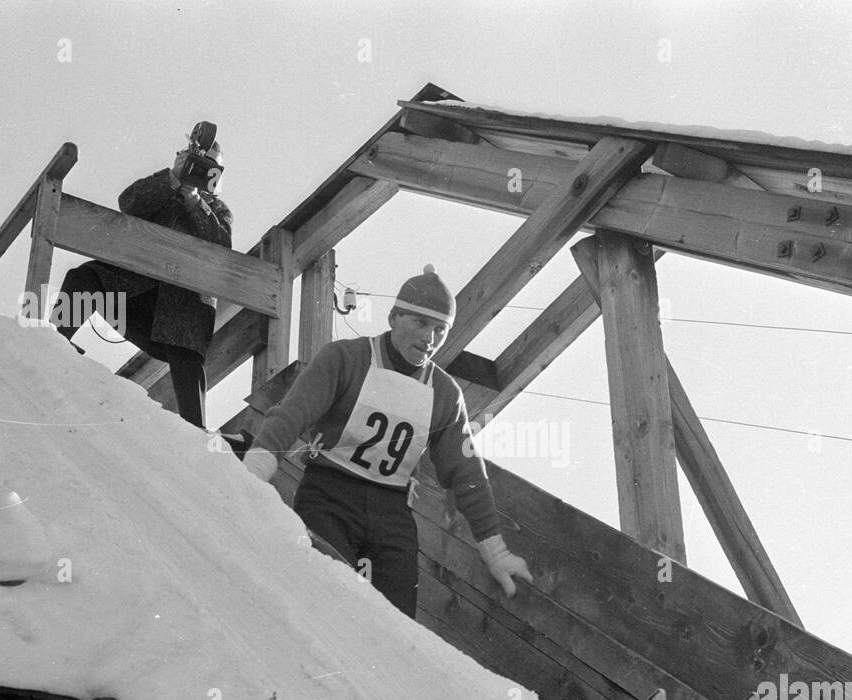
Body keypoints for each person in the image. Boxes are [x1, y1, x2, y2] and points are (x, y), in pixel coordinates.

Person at [242, 265, 532, 617]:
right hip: (331, 493)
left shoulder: (444, 393)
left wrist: (496, 551)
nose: (430, 338)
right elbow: (292, 414)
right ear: (394, 316)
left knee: (395, 619)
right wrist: (255, 469)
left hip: (391, 510)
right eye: (420, 323)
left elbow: (467, 472)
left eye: (440, 330)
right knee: (325, 597)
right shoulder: (345, 358)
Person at [51, 134, 233, 430]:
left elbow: (221, 243)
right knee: (84, 278)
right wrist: (172, 180)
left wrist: (195, 204)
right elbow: (129, 201)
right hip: (136, 292)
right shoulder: (163, 192)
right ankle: (53, 343)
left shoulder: (219, 210)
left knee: (186, 352)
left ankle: (196, 430)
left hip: (181, 311)